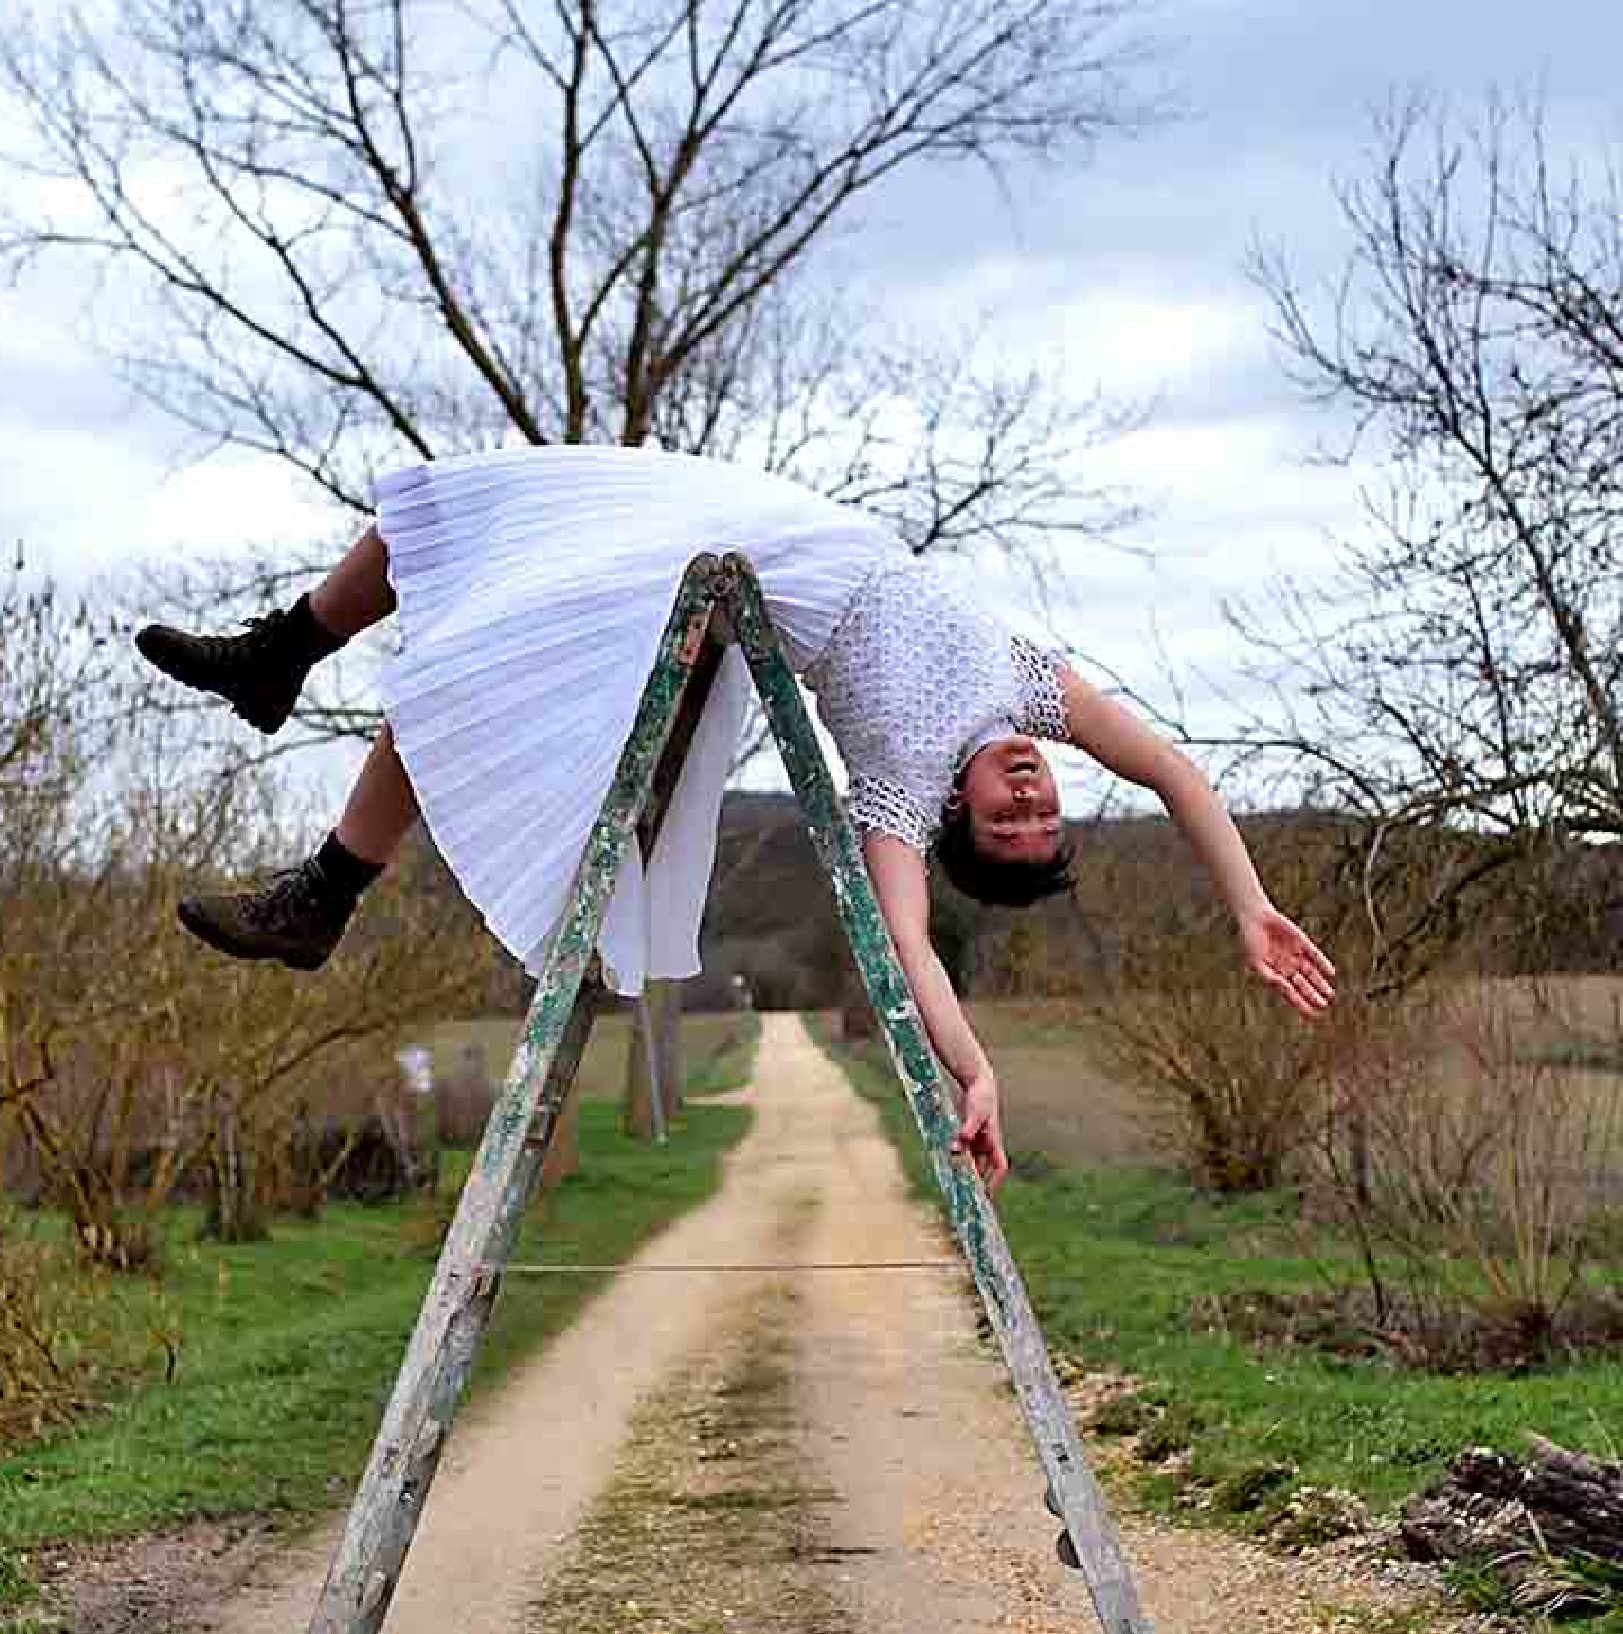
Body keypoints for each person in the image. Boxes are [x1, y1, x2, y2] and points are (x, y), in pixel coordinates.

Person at [137, 445, 1335, 1189]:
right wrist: (1250, 907)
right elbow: (1176, 773)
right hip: (764, 514)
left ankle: (324, 891)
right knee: (466, 502)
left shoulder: (896, 788)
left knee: (477, 664)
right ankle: (282, 650)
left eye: (1009, 822)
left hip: (723, 561)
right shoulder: (1034, 684)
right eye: (1045, 807)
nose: (1030, 793)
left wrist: (973, 1070)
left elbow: (909, 949)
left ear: (956, 819)